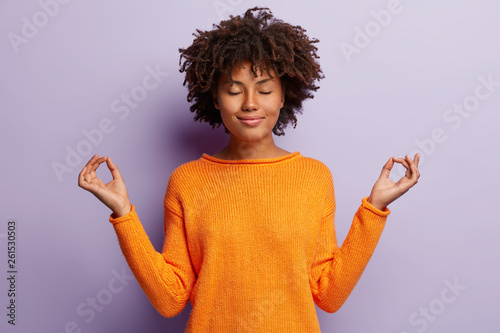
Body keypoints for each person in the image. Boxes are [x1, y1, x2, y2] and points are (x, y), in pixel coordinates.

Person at [78, 7, 420, 332]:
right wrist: (124, 215)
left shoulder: (314, 177)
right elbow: (170, 300)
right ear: (215, 98)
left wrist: (374, 209)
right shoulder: (187, 181)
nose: (250, 103)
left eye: (265, 89)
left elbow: (328, 295)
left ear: (284, 96)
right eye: (233, 90)